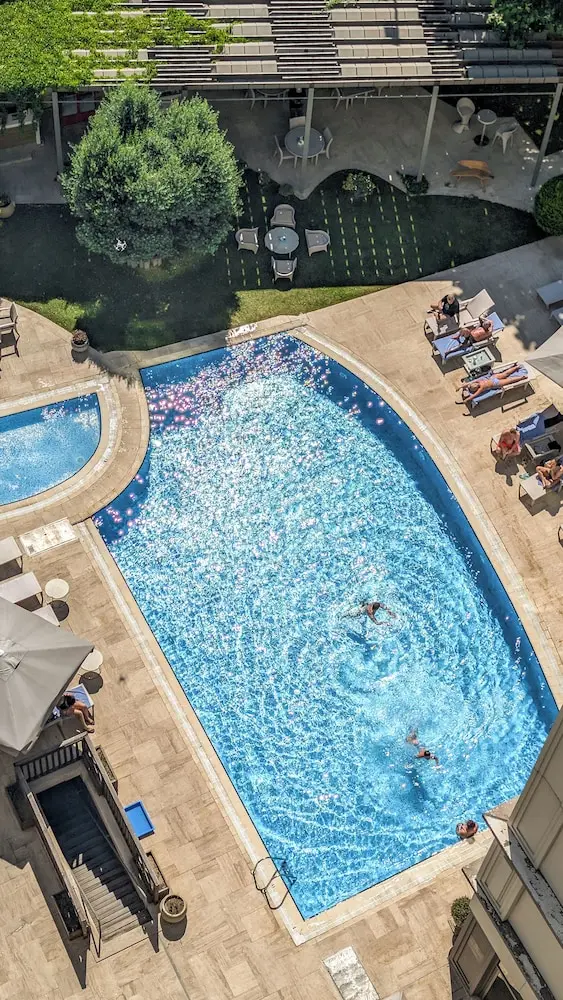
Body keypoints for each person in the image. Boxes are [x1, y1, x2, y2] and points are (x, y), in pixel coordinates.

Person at [457, 363, 528, 405]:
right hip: (494, 381)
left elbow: (470, 387)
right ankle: (519, 373)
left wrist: (460, 388)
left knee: (507, 377)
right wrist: (466, 399)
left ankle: (519, 372)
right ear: (476, 386)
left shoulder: (479, 385)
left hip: (494, 381)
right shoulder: (480, 385)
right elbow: (473, 393)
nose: (474, 384)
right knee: (507, 377)